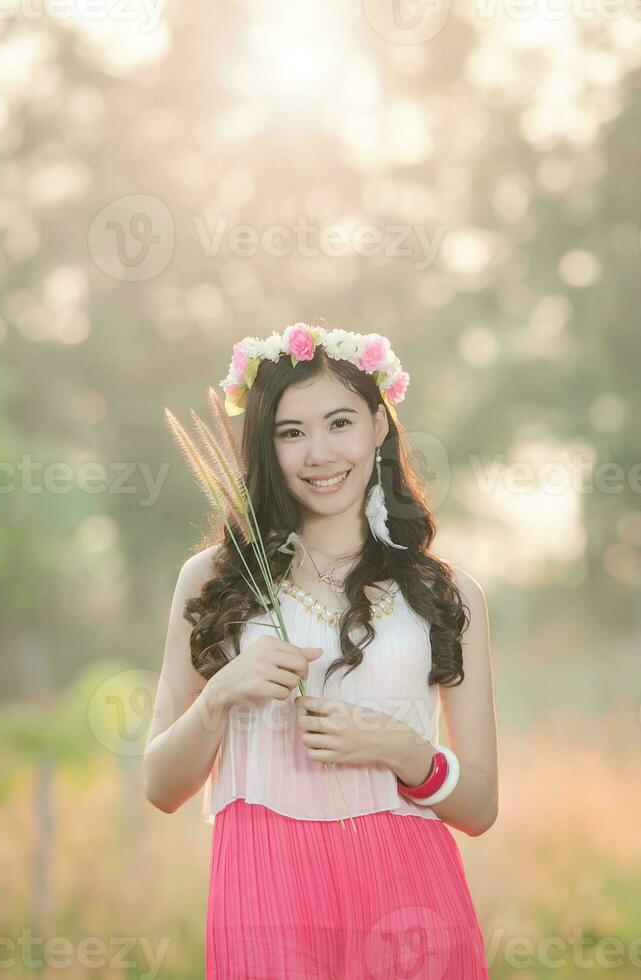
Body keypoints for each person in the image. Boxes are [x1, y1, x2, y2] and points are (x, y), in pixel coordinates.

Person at [145, 322, 498, 979]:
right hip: (265, 899)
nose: (318, 453)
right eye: (290, 432)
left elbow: (478, 808)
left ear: (378, 425)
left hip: (411, 902)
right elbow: (160, 786)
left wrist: (399, 749)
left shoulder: (447, 594)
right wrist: (223, 694)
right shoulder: (216, 581)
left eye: (339, 423)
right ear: (264, 444)